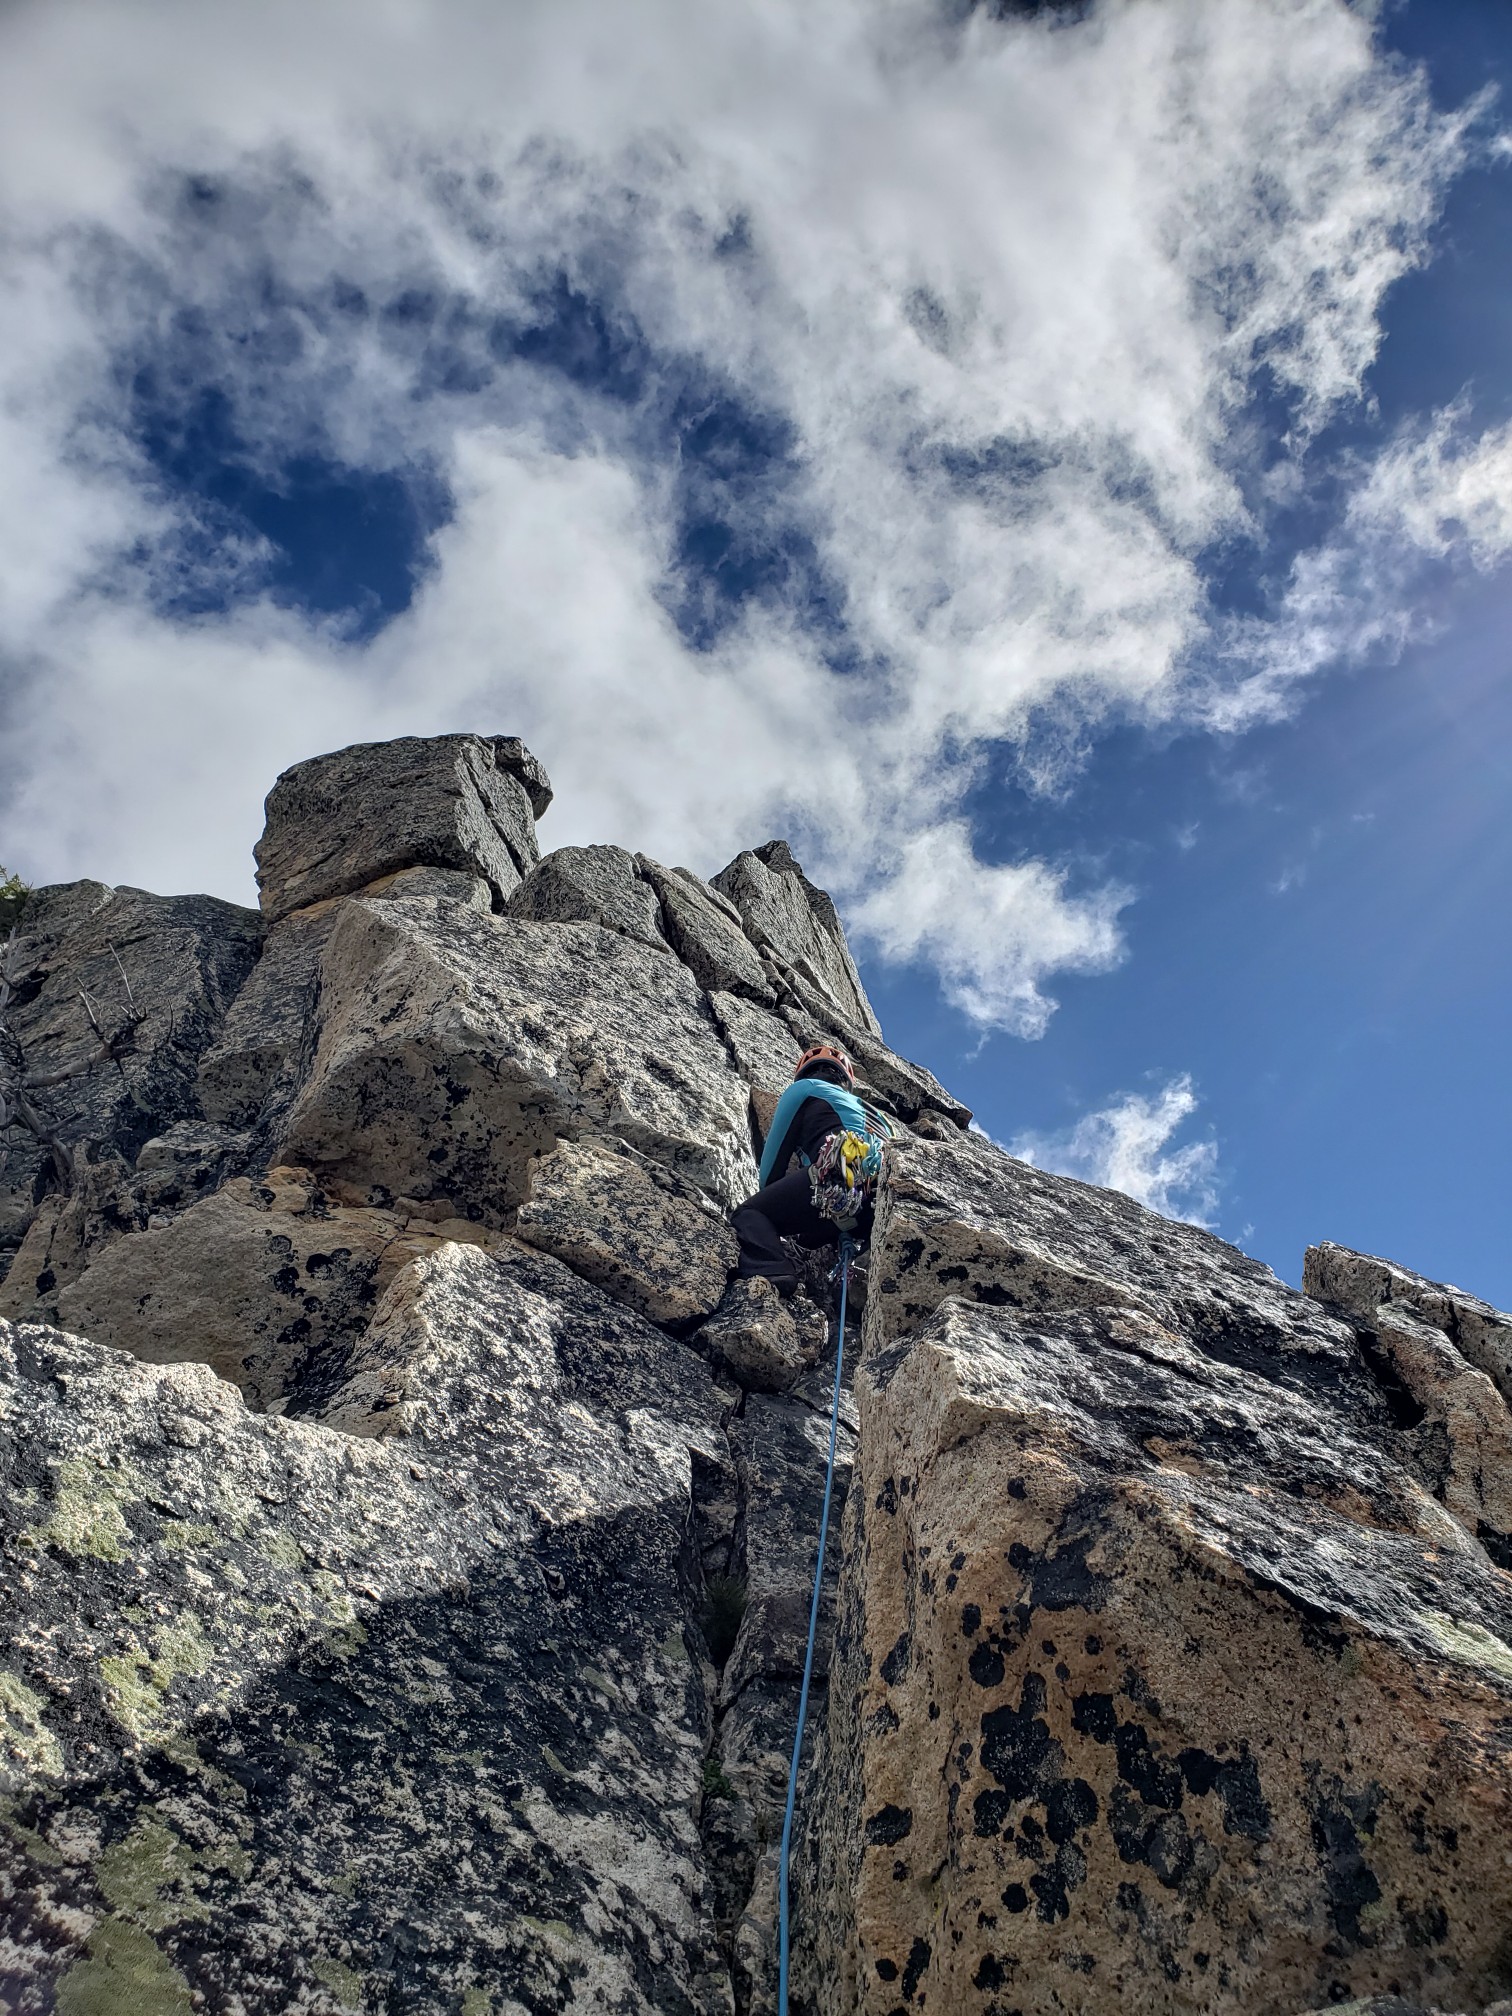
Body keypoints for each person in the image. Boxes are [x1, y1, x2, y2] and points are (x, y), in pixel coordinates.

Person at [732, 1042, 877, 1294]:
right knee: (807, 1239)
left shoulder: (806, 1088)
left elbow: (772, 1168)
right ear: (845, 1079)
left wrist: (774, 1204)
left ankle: (773, 1271)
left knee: (750, 1214)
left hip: (838, 1177)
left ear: (805, 1073)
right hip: (877, 1195)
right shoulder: (876, 1114)